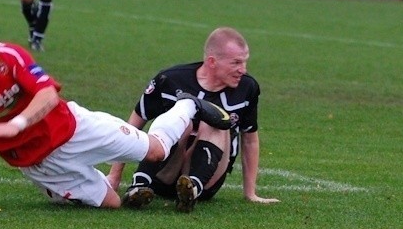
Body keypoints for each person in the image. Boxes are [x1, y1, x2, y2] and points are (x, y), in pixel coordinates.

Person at [0, 10, 232, 211]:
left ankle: (188, 104)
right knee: (112, 204)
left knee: (158, 150)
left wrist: (16, 124)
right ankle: (92, 185)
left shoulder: (8, 55)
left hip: (76, 128)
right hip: (41, 165)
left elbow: (47, 95)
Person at [107, 27, 278, 213]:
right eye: (236, 63)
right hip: (162, 175)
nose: (242, 70)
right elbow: (133, 125)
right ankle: (139, 185)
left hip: (207, 182)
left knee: (216, 119)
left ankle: (192, 188)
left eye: (244, 62)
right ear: (212, 61)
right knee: (182, 120)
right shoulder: (170, 80)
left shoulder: (248, 88)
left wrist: (250, 193)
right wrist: (115, 175)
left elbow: (250, 140)